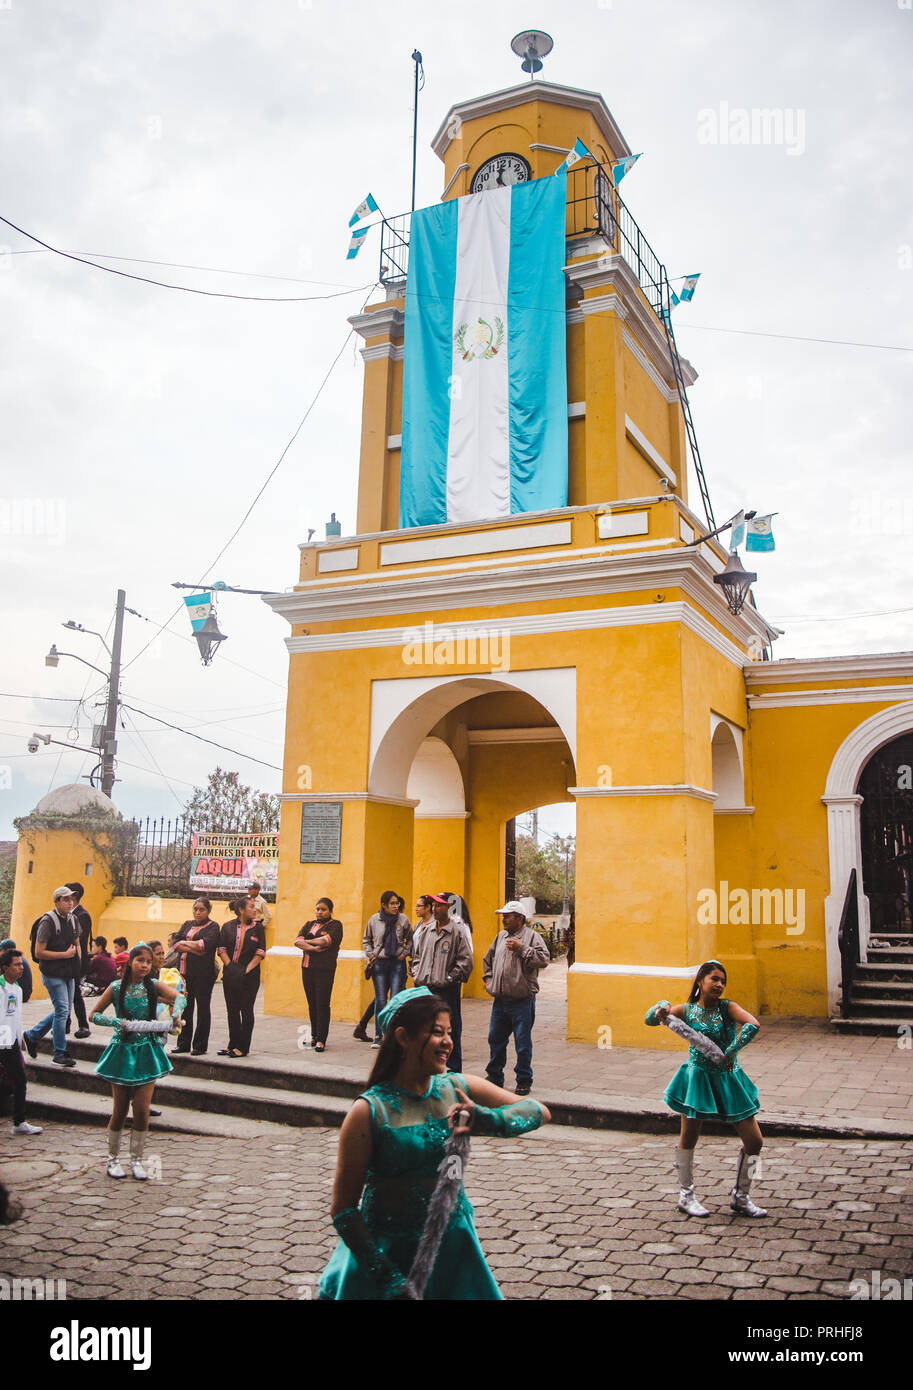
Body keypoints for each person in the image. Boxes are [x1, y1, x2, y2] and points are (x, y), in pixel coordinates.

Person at [320, 987, 550, 1300]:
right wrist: (388, 1279)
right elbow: (343, 1209)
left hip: (452, 1248)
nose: (448, 1042)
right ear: (403, 1037)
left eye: (449, 1033)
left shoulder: (456, 1086)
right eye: (436, 1032)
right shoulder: (368, 1112)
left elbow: (538, 1111)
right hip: (387, 1256)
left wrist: (486, 1119)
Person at [645, 959, 766, 1218]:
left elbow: (753, 1024)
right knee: (688, 1137)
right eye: (714, 979)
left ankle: (741, 1196)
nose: (719, 985)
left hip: (729, 1078)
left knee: (755, 1140)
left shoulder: (728, 1007)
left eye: (723, 981)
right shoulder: (687, 1010)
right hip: (697, 1079)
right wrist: (661, 1007)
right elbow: (650, 1020)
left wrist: (731, 1051)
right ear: (700, 981)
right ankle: (686, 1195)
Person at [91, 942, 184, 1179]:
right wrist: (116, 1023)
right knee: (120, 1109)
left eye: (149, 962)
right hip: (122, 1050)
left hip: (147, 1051)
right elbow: (94, 1015)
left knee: (142, 1110)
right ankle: (112, 1160)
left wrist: (175, 1016)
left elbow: (180, 997)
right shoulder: (114, 988)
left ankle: (137, 1161)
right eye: (140, 961)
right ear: (130, 962)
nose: (144, 966)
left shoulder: (153, 986)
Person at [482, 901, 550, 1097]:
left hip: (522, 1001)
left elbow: (544, 960)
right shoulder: (500, 937)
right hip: (500, 1001)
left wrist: (522, 949)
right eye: (503, 915)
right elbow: (488, 960)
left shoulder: (532, 937)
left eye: (508, 915)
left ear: (520, 918)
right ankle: (494, 1076)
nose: (504, 919)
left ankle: (523, 1079)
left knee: (522, 1043)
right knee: (495, 1039)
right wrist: (488, 981)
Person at [410, 893, 473, 1073]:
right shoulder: (427, 930)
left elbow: (466, 961)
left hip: (446, 989)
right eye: (434, 905)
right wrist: (417, 972)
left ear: (449, 908)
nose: (436, 909)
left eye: (440, 905)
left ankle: (453, 1068)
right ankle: (427, 1064)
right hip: (425, 986)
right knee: (425, 1027)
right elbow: (417, 955)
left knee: (450, 1028)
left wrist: (449, 978)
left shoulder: (457, 931)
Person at [23, 886, 81, 1068]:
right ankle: (59, 1053)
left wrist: (77, 965)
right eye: (65, 899)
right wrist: (64, 955)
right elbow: (39, 952)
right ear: (56, 901)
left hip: (69, 973)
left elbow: (77, 943)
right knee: (62, 1010)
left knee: (63, 1010)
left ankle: (32, 1035)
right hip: (52, 973)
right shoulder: (48, 922)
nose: (69, 903)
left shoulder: (73, 920)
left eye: (71, 899)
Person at [0, 949, 42, 1136]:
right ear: (5, 967)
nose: (21, 968)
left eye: (21, 964)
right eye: (16, 964)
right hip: (3, 1039)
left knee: (19, 1079)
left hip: (10, 1041)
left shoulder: (17, 989)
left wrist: (19, 1040)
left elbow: (14, 1017)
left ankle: (19, 1122)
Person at [217, 897, 266, 1058]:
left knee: (246, 1009)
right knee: (232, 1010)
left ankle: (243, 1047)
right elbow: (222, 949)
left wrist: (245, 970)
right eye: (252, 907)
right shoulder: (227, 927)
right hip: (230, 974)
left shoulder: (258, 928)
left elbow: (260, 953)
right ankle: (232, 1044)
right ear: (241, 910)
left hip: (249, 977)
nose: (255, 910)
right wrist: (230, 966)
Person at [362, 891, 412, 1049]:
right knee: (381, 1000)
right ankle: (378, 1035)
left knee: (396, 1000)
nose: (395, 906)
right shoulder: (374, 919)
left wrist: (405, 953)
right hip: (380, 963)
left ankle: (392, 1036)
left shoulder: (403, 919)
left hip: (397, 963)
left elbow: (410, 939)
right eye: (392, 903)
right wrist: (370, 955)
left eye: (397, 903)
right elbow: (366, 939)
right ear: (383, 905)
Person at [170, 899, 220, 1055]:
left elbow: (205, 946)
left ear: (209, 910)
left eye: (202, 909)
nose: (198, 912)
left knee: (203, 1009)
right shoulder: (187, 924)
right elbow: (175, 945)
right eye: (196, 909)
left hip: (203, 975)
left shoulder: (213, 927)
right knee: (184, 1008)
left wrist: (186, 944)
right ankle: (183, 1043)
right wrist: (194, 946)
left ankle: (199, 1045)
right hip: (184, 973)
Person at [295, 897, 344, 1052]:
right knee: (312, 1003)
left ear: (330, 911)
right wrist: (313, 947)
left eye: (323, 909)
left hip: (324, 969)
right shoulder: (309, 924)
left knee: (322, 1003)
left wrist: (308, 942)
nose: (320, 912)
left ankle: (322, 1039)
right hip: (307, 968)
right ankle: (314, 1035)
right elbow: (297, 941)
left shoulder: (335, 925)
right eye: (317, 909)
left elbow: (327, 941)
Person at [65, 881, 93, 1039]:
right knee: (69, 992)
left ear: (74, 895)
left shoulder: (82, 915)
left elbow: (79, 940)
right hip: (68, 959)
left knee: (74, 992)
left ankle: (83, 1025)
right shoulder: (71, 913)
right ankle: (67, 1023)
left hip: (76, 960)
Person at [0, 938, 31, 1003]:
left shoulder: (9, 961)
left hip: (19, 994)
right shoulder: (20, 959)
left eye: (1, 950)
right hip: (25, 993)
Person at [410, 894, 434, 965]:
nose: (416, 909)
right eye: (416, 906)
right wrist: (412, 962)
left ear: (428, 907)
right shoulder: (418, 924)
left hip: (428, 965)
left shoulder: (435, 925)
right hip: (417, 965)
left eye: (419, 906)